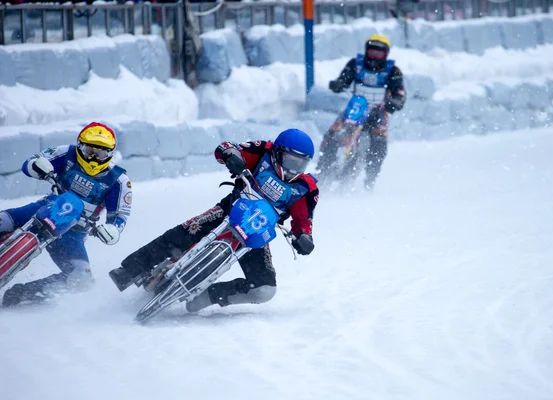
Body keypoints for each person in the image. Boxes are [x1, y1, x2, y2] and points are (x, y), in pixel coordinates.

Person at [108, 128, 318, 313]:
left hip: (257, 232)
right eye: (290, 160)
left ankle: (209, 296)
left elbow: (303, 220)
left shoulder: (305, 188)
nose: (294, 168)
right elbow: (226, 147)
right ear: (277, 153)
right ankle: (129, 269)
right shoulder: (262, 151)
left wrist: (303, 237)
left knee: (264, 290)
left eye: (301, 163)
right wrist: (231, 155)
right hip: (231, 208)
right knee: (183, 233)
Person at [0, 122, 132, 307]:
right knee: (3, 220)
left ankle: (23, 293)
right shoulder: (65, 152)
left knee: (82, 280)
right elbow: (31, 163)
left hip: (73, 232)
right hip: (46, 207)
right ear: (79, 146)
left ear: (110, 154)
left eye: (101, 153)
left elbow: (120, 214)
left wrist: (112, 228)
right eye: (89, 151)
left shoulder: (119, 180)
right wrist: (37, 166)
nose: (93, 157)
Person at [317, 34, 406, 189]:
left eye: (379, 54)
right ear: (366, 51)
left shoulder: (394, 71)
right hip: (355, 108)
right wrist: (338, 84)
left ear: (386, 54)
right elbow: (344, 79)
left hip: (379, 112)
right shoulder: (355, 64)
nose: (374, 57)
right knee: (332, 134)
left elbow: (400, 94)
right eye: (372, 52)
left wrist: (395, 102)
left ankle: (370, 179)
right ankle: (323, 169)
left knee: (378, 146)